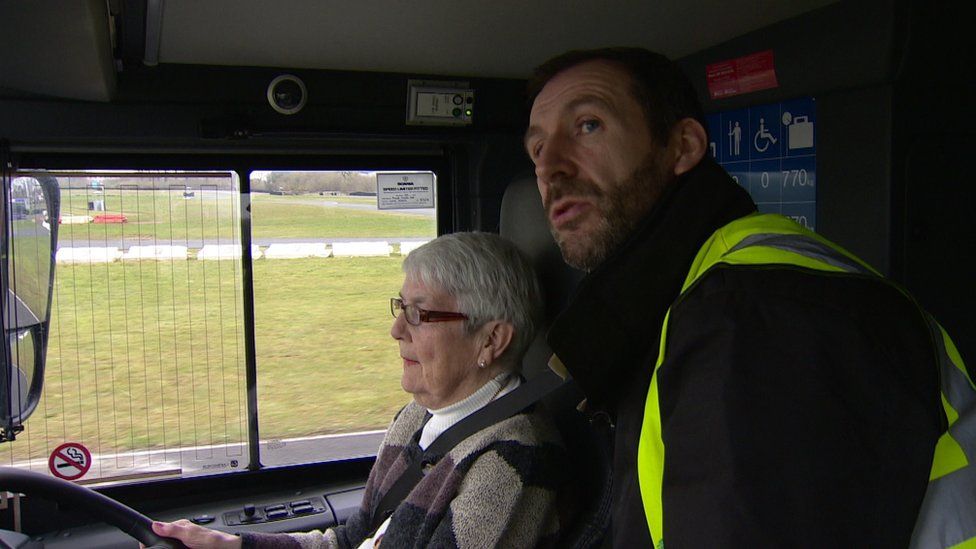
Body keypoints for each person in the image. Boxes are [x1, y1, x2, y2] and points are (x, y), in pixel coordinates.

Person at [523, 47, 974, 547]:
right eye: (537, 149)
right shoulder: (688, 302)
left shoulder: (754, 317)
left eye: (588, 126)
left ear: (683, 146)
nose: (550, 169)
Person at [152, 232, 574, 548]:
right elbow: (352, 540)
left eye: (419, 314)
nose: (395, 330)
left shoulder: (514, 460)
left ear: (491, 340)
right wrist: (234, 545)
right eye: (400, 308)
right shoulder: (417, 417)